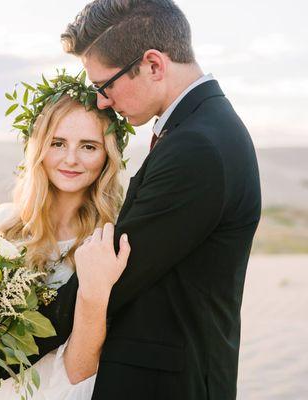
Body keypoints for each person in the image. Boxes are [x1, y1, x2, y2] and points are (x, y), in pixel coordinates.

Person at [49, 0, 260, 399]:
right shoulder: (201, 128)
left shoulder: (198, 146)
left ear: (153, 64)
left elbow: (120, 273)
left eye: (105, 85)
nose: (102, 101)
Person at [0, 80, 132, 399]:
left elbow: (81, 369)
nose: (71, 158)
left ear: (107, 155)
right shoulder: (4, 224)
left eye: (88, 146)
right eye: (57, 143)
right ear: (38, 148)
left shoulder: (106, 244)